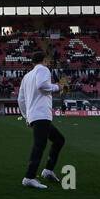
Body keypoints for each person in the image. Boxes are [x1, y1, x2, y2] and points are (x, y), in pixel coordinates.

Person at [17, 50, 65, 189]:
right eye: (48, 60)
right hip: (41, 114)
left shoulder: (26, 76)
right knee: (40, 145)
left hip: (34, 115)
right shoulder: (43, 70)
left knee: (59, 140)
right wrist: (58, 87)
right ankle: (29, 177)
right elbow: (42, 86)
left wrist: (27, 116)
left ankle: (48, 171)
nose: (49, 62)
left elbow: (20, 99)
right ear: (44, 60)